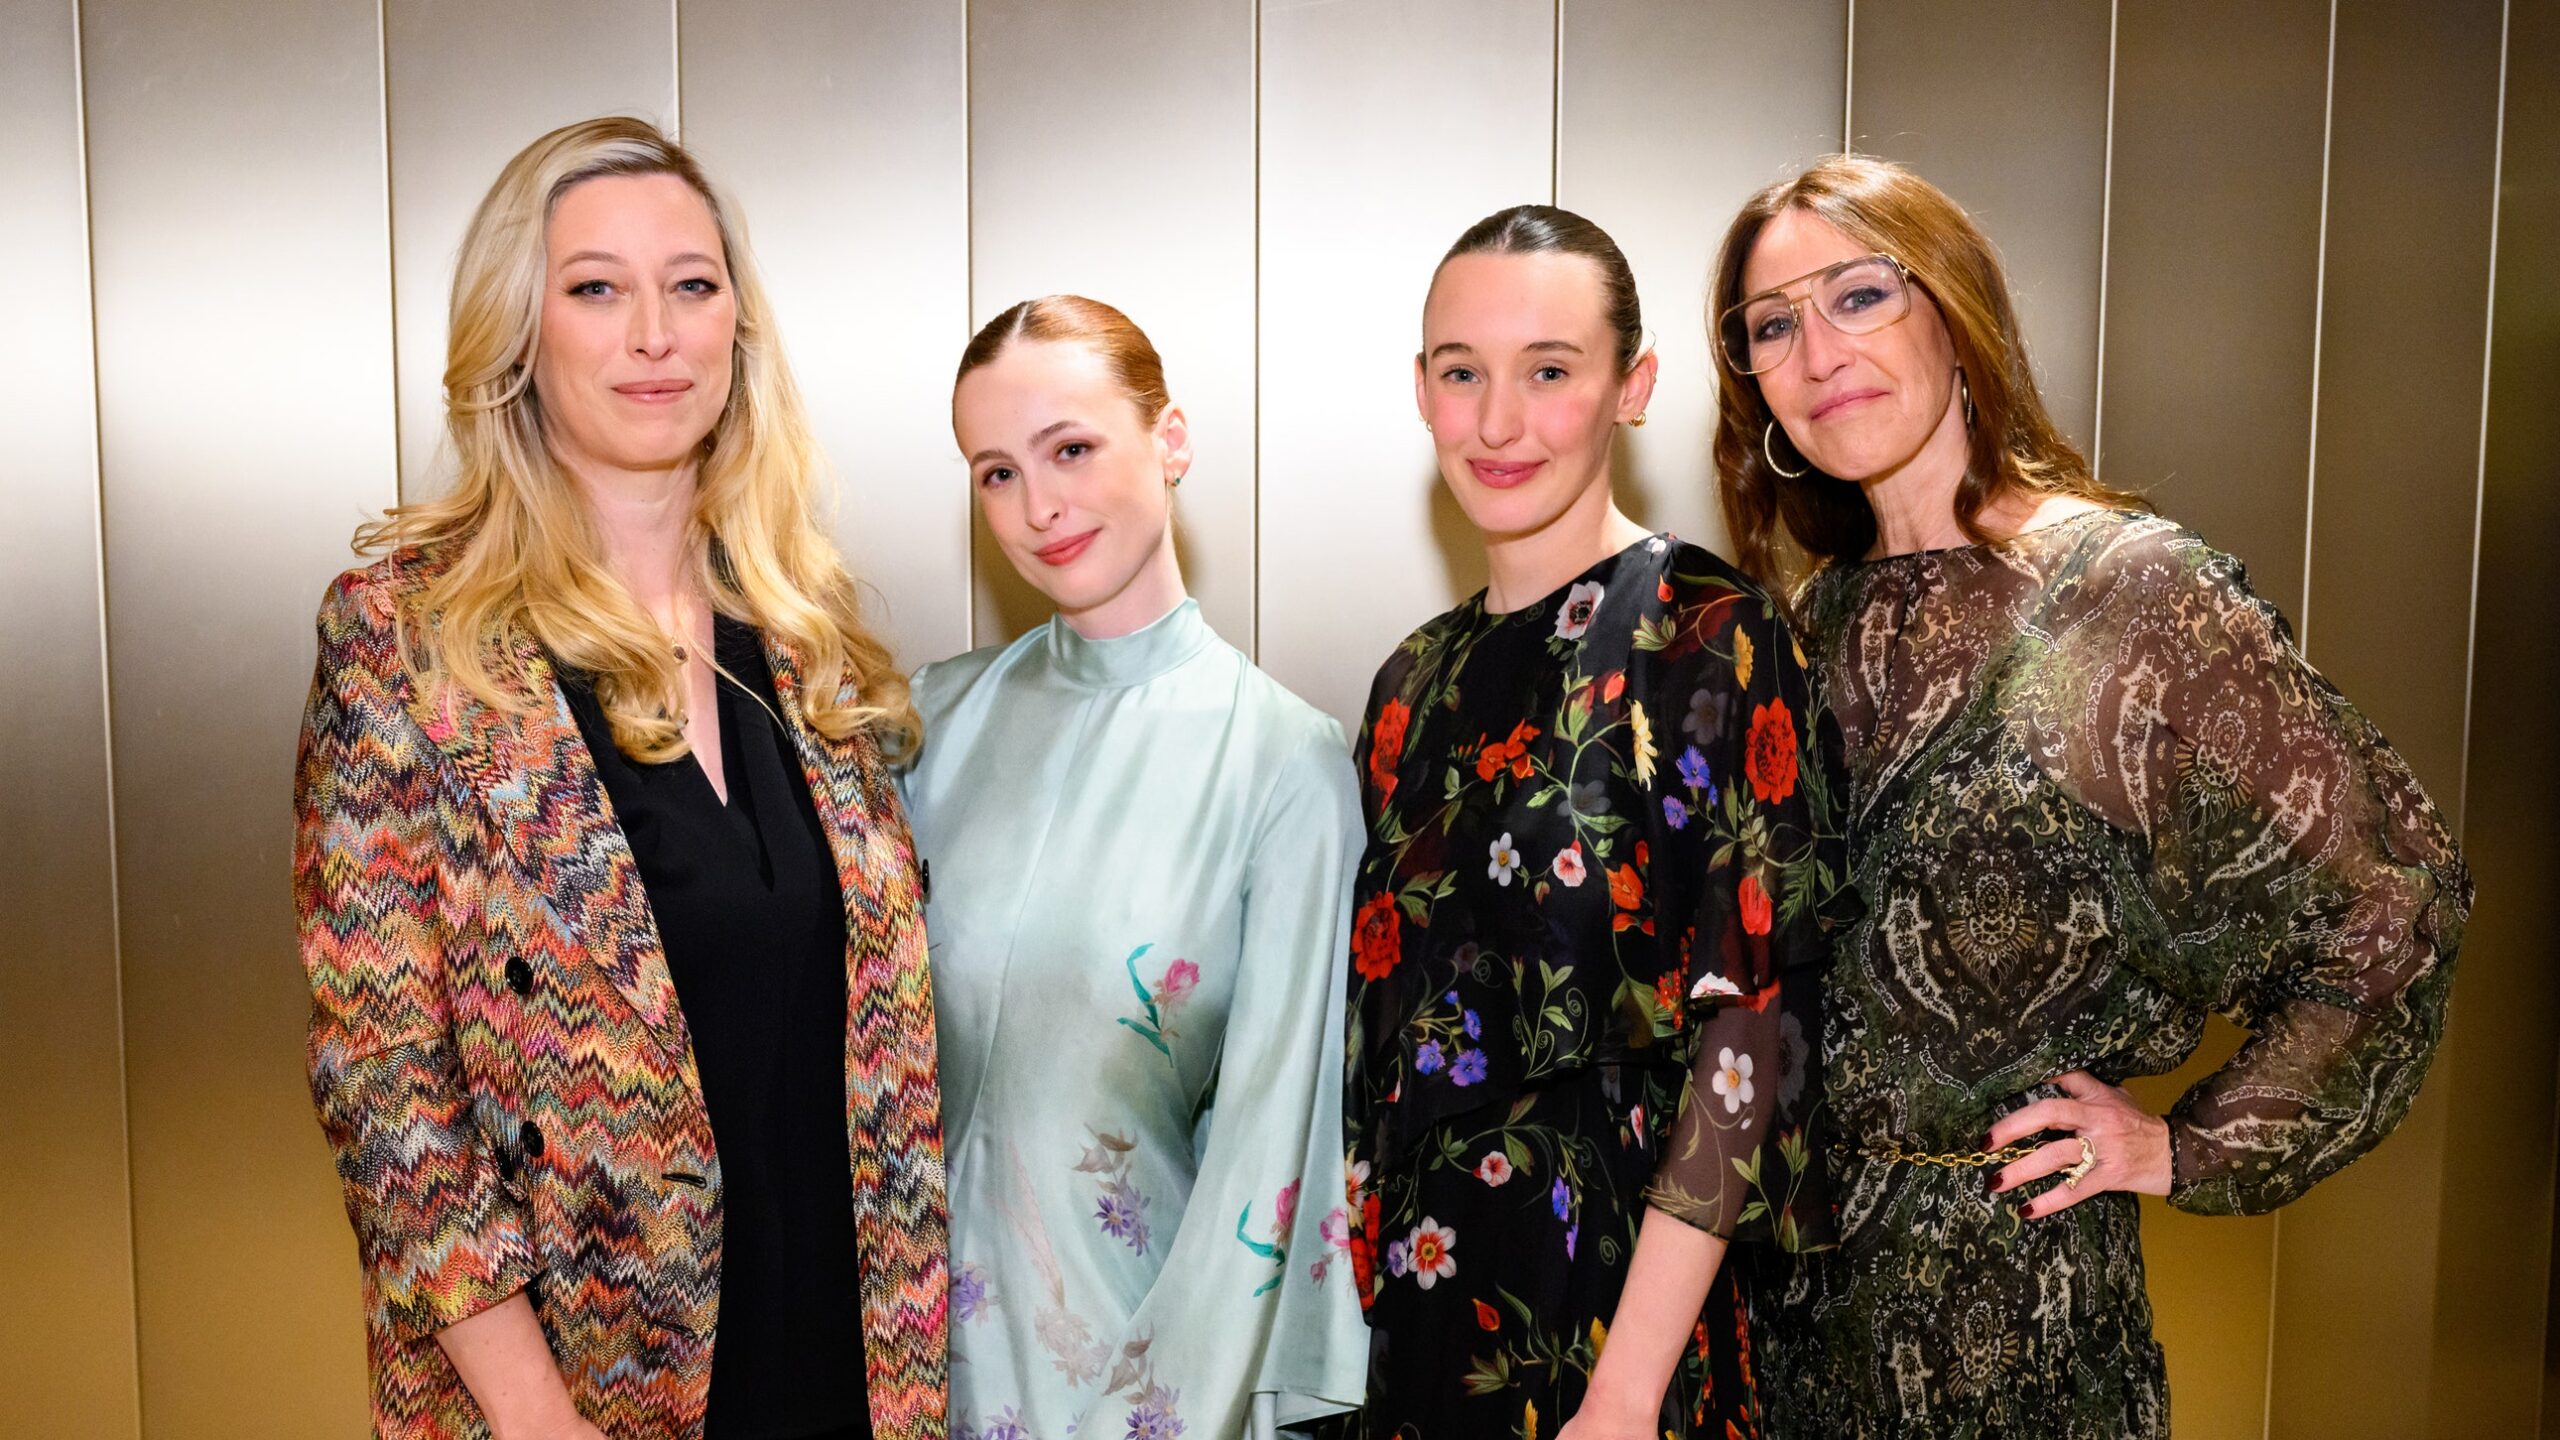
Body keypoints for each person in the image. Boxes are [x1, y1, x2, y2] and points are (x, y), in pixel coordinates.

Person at [1708, 154, 2470, 1438]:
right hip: (1787, 1332)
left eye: (1858, 295)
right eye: (1770, 325)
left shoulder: (2136, 599)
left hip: (2022, 1328)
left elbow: (2392, 908)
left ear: (1956, 315)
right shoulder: (1803, 624)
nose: (1816, 350)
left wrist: (2188, 1145)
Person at [292, 116, 946, 1440]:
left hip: (850, 1368)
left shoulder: (805, 638)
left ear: (736, 330)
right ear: (520, 337)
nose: (655, 334)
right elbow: (385, 1079)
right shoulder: (409, 638)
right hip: (577, 1392)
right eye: (596, 288)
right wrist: (535, 1415)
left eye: (691, 285)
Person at [1345, 205, 1851, 1440]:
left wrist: (1623, 1396)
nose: (1496, 423)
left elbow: (1750, 1035)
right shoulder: (1411, 685)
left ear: (1633, 387)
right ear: (1419, 390)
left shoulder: (1712, 637)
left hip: (1621, 1337)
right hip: (1419, 1324)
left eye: (1548, 372)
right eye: (1461, 373)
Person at [899, 295, 1369, 1440]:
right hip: (901, 1384)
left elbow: (1269, 1166)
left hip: (1147, 1386)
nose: (1038, 508)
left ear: (1171, 439)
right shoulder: (929, 726)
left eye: (1070, 449)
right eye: (997, 473)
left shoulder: (1283, 764)